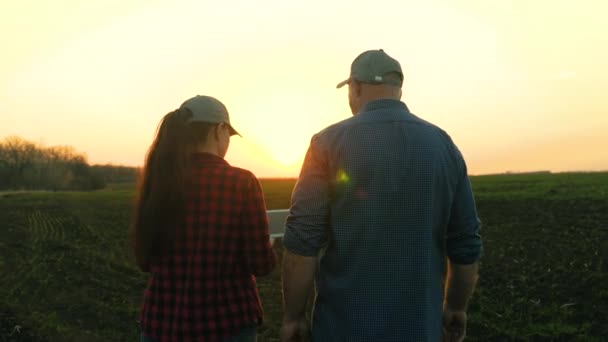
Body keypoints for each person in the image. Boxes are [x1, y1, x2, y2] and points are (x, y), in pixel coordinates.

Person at [280, 50, 483, 342]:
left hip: (343, 328)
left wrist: (294, 317)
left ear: (356, 87)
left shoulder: (327, 143)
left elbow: (302, 240)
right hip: (420, 327)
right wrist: (455, 307)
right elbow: (466, 241)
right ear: (398, 89)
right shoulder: (442, 144)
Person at [130, 95, 277, 342]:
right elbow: (261, 264)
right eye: (228, 136)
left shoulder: (159, 179)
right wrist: (269, 245)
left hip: (161, 323)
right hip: (226, 324)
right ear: (220, 130)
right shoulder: (241, 182)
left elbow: (146, 260)